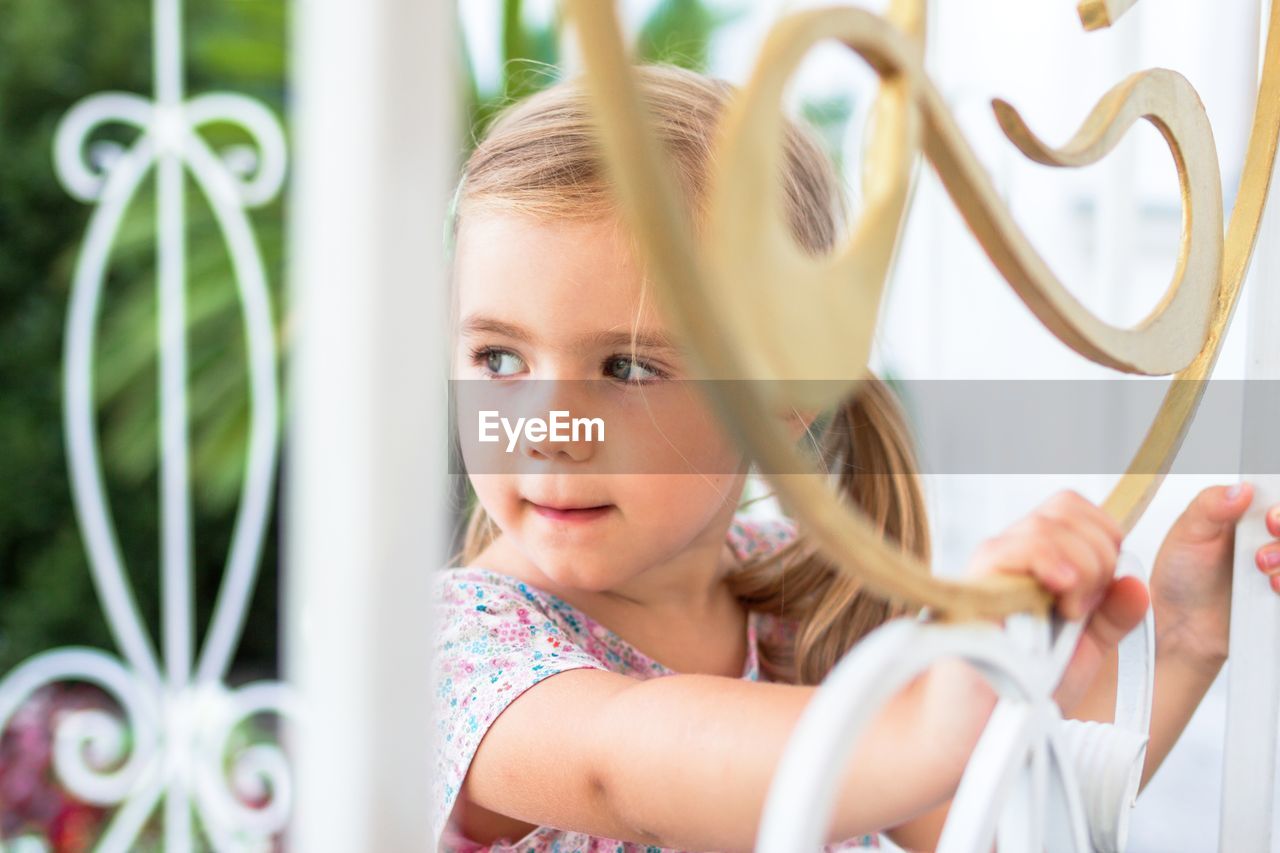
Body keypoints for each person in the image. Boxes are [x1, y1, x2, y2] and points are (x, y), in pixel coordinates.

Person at [435, 62, 1280, 851]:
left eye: (626, 367)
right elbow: (617, 765)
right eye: (499, 359)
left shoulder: (801, 599)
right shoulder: (454, 643)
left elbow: (982, 816)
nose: (545, 428)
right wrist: (929, 719)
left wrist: (1183, 638)